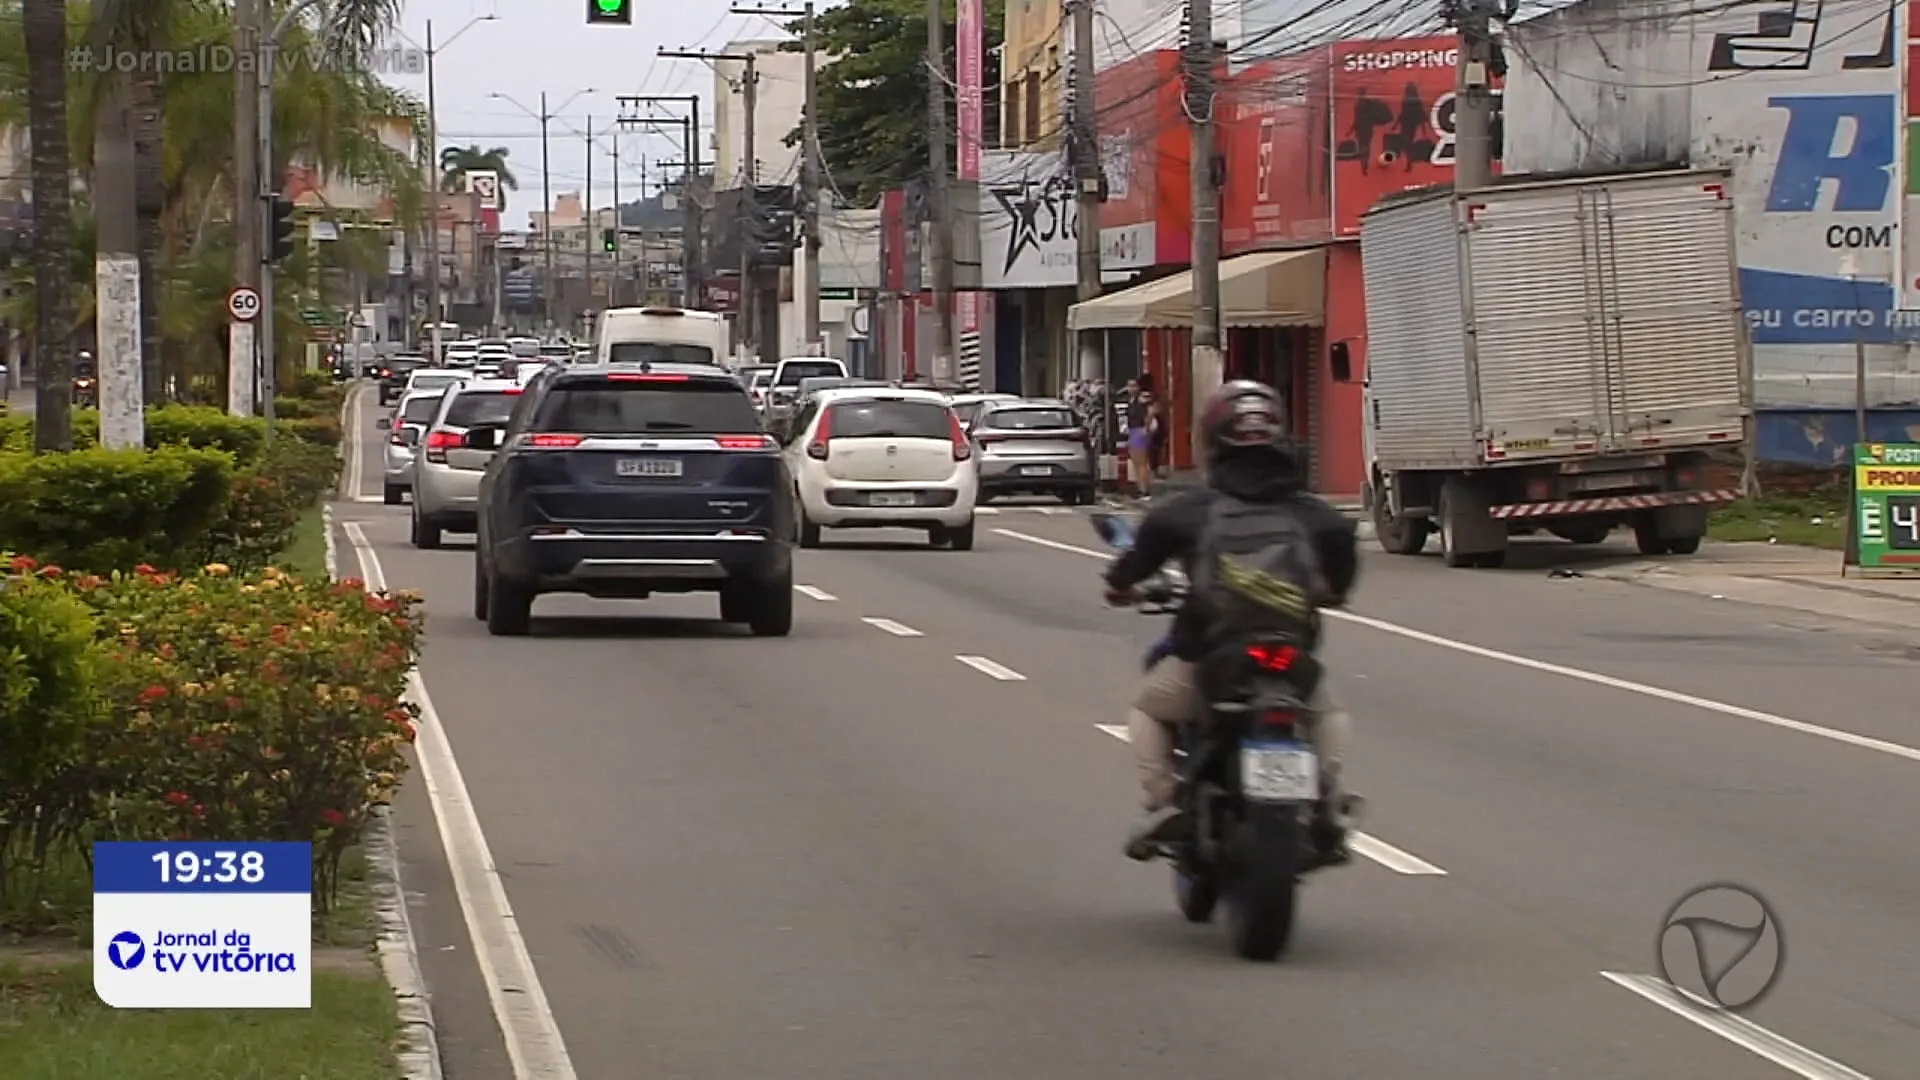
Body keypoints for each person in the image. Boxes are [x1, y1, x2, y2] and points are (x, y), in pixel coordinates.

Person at [1102, 379, 1359, 862]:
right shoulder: (1312, 513)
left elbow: (1134, 563)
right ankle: (1326, 795)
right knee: (1327, 713)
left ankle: (1164, 798)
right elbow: (1340, 567)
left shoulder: (1188, 510)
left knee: (1148, 710)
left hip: (1210, 656)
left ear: (1212, 439)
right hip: (1291, 655)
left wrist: (1120, 587)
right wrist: (1329, 592)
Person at [1124, 375, 1159, 499]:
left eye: (1134, 386)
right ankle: (1140, 488)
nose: (1131, 388)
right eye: (1129, 386)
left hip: (1140, 431)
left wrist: (1146, 427)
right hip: (1133, 431)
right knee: (1135, 461)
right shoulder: (1131, 401)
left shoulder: (1143, 399)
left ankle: (1144, 490)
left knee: (1141, 462)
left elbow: (1152, 411)